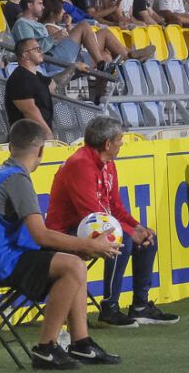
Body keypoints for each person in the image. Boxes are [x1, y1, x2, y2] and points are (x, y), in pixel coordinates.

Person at [0, 118, 123, 371]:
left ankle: (81, 343)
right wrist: (88, 244)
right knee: (73, 265)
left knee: (74, 257)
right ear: (40, 150)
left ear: (10, 147)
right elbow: (41, 235)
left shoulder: (0, 172)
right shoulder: (17, 179)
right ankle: (46, 348)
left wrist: (79, 246)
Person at [44, 116, 180, 327]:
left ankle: (140, 306)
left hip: (89, 224)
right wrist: (129, 232)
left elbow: (115, 207)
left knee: (147, 238)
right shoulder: (80, 164)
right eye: (120, 140)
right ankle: (109, 308)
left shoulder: (107, 164)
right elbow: (92, 214)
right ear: (108, 144)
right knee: (121, 239)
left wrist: (138, 227)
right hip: (65, 232)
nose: (122, 145)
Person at [3, 31, 54, 138]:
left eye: (40, 49)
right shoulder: (19, 78)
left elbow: (55, 85)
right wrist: (48, 134)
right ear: (25, 54)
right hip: (26, 140)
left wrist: (73, 69)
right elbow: (29, 111)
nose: (41, 52)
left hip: (38, 137)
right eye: (36, 49)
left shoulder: (37, 76)